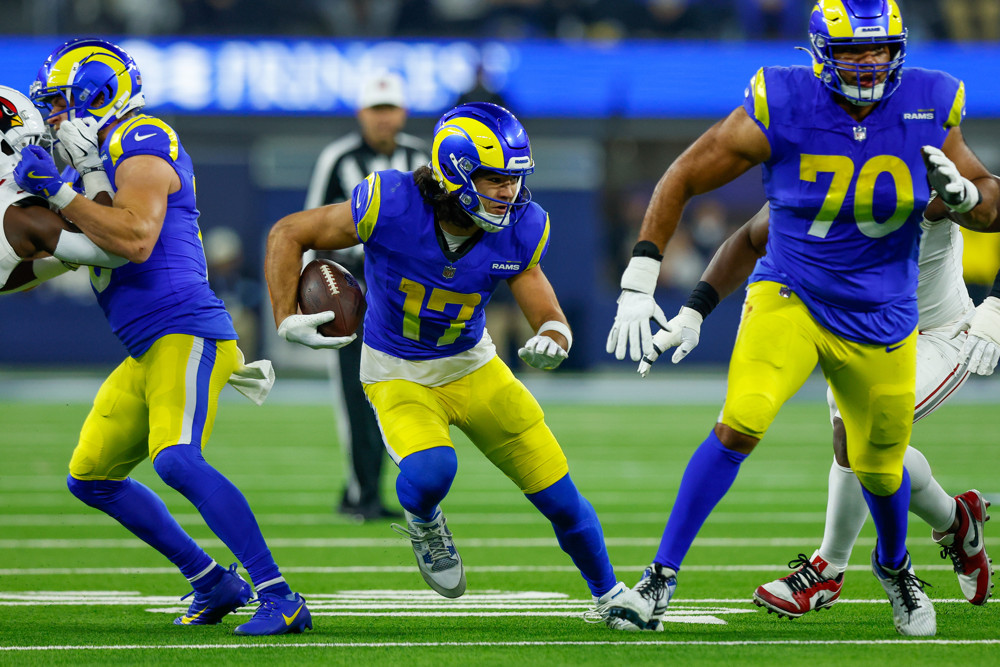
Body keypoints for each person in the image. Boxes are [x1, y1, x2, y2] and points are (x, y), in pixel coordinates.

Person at [603, 0, 998, 637]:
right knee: (742, 422)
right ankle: (659, 580)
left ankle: (895, 566)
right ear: (820, 55)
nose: (867, 64)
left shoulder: (928, 107)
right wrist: (658, 287)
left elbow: (991, 205)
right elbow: (703, 191)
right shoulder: (781, 106)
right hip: (793, 296)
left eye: (878, 49)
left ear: (899, 49)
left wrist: (971, 197)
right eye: (851, 52)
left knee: (876, 462)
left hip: (889, 314)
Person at [265, 101, 631, 626]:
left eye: (514, 179)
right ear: (456, 172)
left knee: (559, 495)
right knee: (433, 471)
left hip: (472, 364)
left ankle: (610, 594)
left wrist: (555, 333)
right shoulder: (388, 203)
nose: (509, 192)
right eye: (495, 179)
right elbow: (288, 232)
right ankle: (424, 519)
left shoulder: (520, 226)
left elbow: (540, 299)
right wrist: (284, 315)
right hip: (395, 368)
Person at [13, 38, 309, 636]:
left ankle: (278, 593)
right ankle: (211, 580)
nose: (56, 118)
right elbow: (78, 246)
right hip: (147, 345)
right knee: (91, 477)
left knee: (175, 458)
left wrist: (61, 194)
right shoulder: (98, 159)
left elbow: (137, 239)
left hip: (185, 326)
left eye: (64, 103)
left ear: (101, 94)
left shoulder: (142, 135)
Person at [640, 196, 997, 616]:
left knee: (857, 433)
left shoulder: (916, 174)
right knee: (866, 449)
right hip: (864, 337)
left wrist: (996, 305)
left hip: (936, 334)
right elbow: (753, 235)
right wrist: (694, 311)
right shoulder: (821, 173)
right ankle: (956, 519)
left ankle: (830, 567)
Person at [304, 71, 429, 522]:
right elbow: (310, 226)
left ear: (403, 112)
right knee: (355, 397)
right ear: (362, 113)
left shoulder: (422, 157)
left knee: (403, 393)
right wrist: (310, 295)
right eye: (376, 109)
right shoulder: (338, 158)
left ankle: (378, 489)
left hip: (404, 295)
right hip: (351, 292)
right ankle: (361, 492)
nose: (383, 118)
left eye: (390, 108)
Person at [0, 85, 127, 293]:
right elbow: (117, 250)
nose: (28, 148)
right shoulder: (24, 216)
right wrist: (89, 165)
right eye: (24, 141)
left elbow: (7, 283)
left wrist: (62, 257)